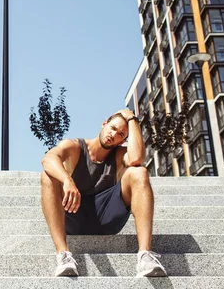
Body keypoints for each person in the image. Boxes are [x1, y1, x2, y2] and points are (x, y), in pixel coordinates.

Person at [40, 109, 167, 278]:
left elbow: (136, 159)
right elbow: (48, 158)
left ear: (123, 140)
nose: (113, 135)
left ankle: (145, 256)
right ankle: (63, 255)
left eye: (121, 134)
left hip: (106, 218)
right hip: (73, 214)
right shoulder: (75, 146)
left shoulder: (119, 155)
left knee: (139, 172)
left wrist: (132, 119)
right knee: (48, 176)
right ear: (104, 124)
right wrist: (67, 180)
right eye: (113, 128)